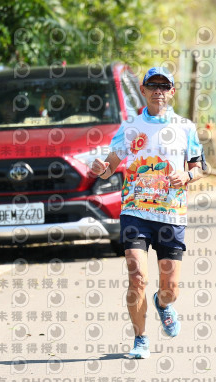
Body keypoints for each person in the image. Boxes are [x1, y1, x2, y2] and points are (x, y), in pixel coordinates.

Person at [88, 67, 206, 359]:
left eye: (164, 86)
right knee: (137, 275)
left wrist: (187, 176)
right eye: (152, 85)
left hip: (171, 215)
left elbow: (199, 167)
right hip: (135, 211)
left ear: (172, 92)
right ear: (143, 90)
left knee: (171, 289)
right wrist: (101, 169)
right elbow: (110, 166)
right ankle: (140, 339)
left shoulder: (185, 127)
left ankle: (163, 304)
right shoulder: (131, 126)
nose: (158, 91)